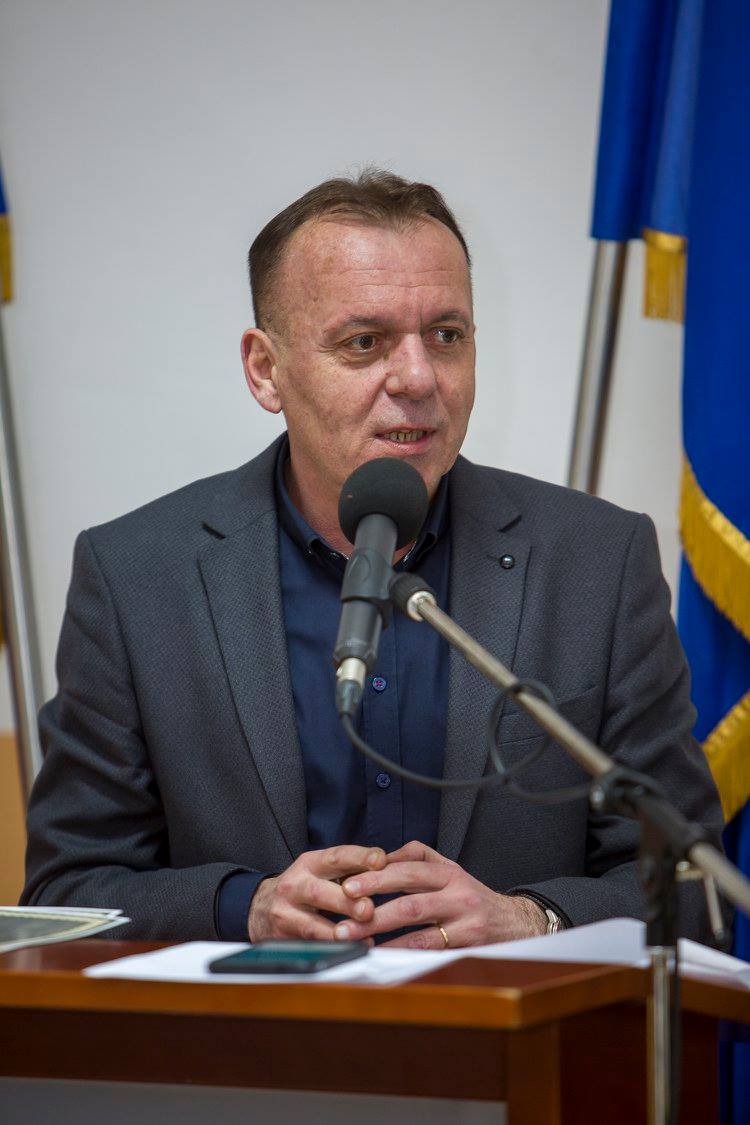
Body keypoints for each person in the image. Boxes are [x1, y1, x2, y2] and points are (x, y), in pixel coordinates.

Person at [22, 170, 723, 948]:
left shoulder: (597, 561)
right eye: (365, 342)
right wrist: (243, 907)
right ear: (265, 370)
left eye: (446, 335)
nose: (419, 378)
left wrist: (529, 918)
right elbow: (66, 892)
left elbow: (698, 888)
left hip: (509, 1023)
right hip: (254, 1026)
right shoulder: (135, 577)